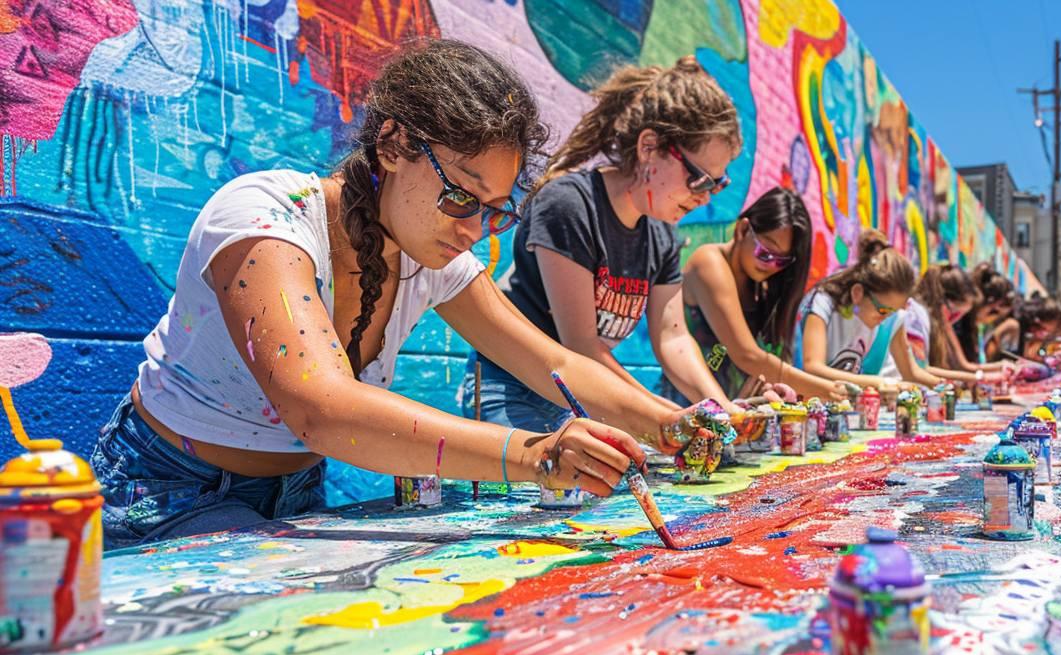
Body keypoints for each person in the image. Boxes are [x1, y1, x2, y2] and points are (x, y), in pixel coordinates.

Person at [89, 40, 710, 549]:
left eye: (494, 211)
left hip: (296, 493)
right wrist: (537, 455)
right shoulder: (265, 216)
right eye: (461, 195)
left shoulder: (430, 253)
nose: (471, 229)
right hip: (167, 491)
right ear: (391, 144)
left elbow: (553, 363)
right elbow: (323, 410)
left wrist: (674, 425)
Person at [468, 57, 744, 430]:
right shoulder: (569, 205)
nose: (706, 197)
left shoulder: (662, 234)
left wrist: (722, 409)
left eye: (718, 184)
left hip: (582, 397)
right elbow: (580, 344)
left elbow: (674, 338)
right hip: (514, 388)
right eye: (700, 179)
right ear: (650, 147)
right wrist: (662, 414)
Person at [672, 187, 848, 403]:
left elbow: (764, 364)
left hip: (734, 419)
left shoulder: (760, 288)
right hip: (688, 414)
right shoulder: (709, 263)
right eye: (764, 253)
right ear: (743, 229)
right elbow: (747, 355)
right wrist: (827, 389)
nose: (771, 266)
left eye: (781, 261)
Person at [797, 229, 918, 395]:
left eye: (893, 313)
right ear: (857, 293)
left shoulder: (883, 318)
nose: (885, 319)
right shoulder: (823, 301)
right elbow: (813, 366)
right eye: (882, 310)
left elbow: (912, 372)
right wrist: (878, 382)